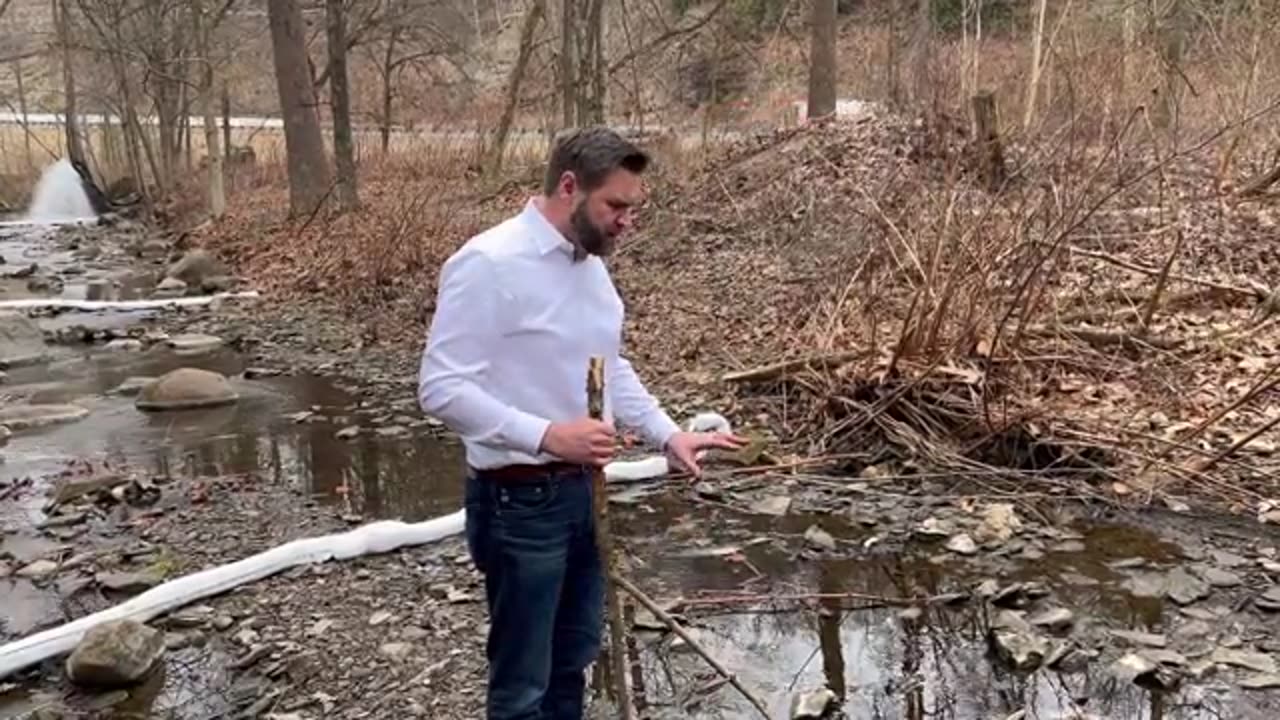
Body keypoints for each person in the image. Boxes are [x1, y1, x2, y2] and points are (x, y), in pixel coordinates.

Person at [417, 126, 746, 719]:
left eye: (632, 208)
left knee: (572, 661)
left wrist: (668, 434)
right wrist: (546, 434)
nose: (627, 221)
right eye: (615, 206)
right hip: (517, 503)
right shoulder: (488, 263)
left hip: (582, 498)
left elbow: (609, 367)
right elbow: (440, 388)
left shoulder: (590, 267)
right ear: (569, 187)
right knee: (523, 687)